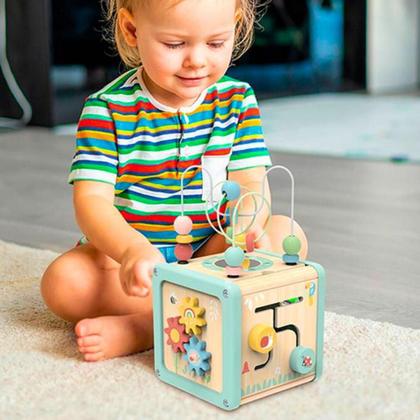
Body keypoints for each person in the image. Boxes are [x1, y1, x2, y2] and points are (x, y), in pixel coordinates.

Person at [41, 0, 308, 362]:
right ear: (132, 30)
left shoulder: (238, 100)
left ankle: (147, 327)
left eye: (215, 44)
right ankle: (206, 313)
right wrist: (131, 250)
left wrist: (246, 230)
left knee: (285, 234)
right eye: (175, 44)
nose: (197, 60)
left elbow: (251, 183)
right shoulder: (106, 109)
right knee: (62, 283)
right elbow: (92, 202)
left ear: (236, 26)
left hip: (211, 255)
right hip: (135, 265)